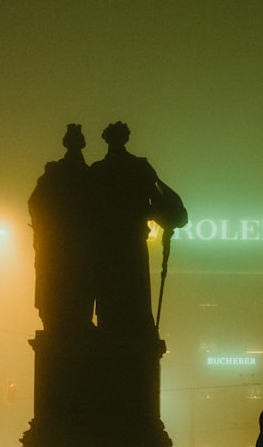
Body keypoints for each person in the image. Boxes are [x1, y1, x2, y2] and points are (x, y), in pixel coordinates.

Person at [88, 121, 187, 339]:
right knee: (135, 297)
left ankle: (111, 332)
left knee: (109, 299)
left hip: (107, 247)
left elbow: (86, 211)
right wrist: (165, 218)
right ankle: (136, 330)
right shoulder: (139, 167)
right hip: (131, 244)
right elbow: (158, 202)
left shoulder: (98, 171)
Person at [28, 124, 95, 335]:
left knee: (57, 286)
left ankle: (58, 323)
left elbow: (34, 203)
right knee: (80, 286)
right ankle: (78, 323)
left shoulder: (53, 174)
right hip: (79, 244)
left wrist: (43, 228)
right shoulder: (89, 176)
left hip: (56, 243)